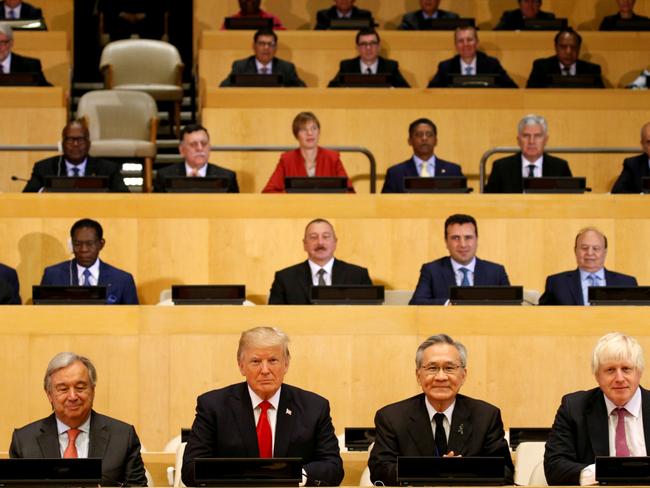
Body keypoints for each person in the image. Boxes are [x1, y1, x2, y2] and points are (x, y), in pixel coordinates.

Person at [182, 326, 344, 487]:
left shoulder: (314, 407)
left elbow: (333, 467)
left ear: (286, 364)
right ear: (241, 366)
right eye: (256, 361)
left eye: (273, 360)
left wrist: (295, 474)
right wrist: (246, 475)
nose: (265, 370)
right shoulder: (213, 406)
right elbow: (190, 470)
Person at [368, 334, 514, 486]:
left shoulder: (486, 416)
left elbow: (505, 472)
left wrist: (461, 471)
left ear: (463, 375)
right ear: (418, 376)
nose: (441, 376)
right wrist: (436, 470)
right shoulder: (392, 417)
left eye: (449, 368)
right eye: (432, 368)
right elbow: (380, 471)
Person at [9, 352, 147, 486]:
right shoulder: (24, 441)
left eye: (80, 387)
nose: (73, 396)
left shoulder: (123, 437)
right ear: (49, 394)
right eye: (63, 389)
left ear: (93, 390)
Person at [544, 332, 650, 485]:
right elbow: (554, 467)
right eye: (610, 370)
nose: (619, 378)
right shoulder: (574, 408)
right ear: (597, 375)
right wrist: (605, 472)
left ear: (639, 372)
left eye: (626, 369)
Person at [409, 214, 510, 305]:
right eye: (455, 238)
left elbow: (513, 306)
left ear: (477, 240)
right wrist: (450, 303)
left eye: (468, 237)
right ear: (446, 241)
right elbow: (416, 303)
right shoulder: (431, 270)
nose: (463, 244)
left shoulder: (496, 272)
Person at [268, 218, 372, 304]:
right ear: (304, 244)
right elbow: (274, 318)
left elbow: (372, 317)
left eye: (326, 237)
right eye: (313, 237)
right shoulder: (285, 278)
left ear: (335, 243)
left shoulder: (358, 276)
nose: (320, 242)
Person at [40, 218, 139, 305]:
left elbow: (133, 320)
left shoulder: (122, 280)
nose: (84, 250)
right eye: (77, 244)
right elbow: (40, 316)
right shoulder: (53, 275)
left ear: (101, 244)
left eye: (90, 244)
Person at [539, 228, 637, 306]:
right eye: (584, 248)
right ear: (575, 251)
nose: (590, 253)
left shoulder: (627, 283)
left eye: (596, 248)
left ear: (605, 252)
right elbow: (542, 317)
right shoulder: (557, 283)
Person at [23, 120, 128, 193]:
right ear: (62, 144)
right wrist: (44, 191)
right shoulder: (44, 168)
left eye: (80, 140)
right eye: (70, 140)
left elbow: (125, 197)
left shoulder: (108, 169)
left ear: (89, 143)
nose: (75, 144)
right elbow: (28, 197)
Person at [262, 112, 354, 193]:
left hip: (327, 210)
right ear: (296, 135)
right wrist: (290, 197)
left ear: (319, 132)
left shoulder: (333, 158)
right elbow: (268, 192)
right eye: (303, 129)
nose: (310, 133)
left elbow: (349, 192)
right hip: (296, 210)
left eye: (314, 128)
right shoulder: (287, 160)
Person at [485, 114, 572, 193]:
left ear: (545, 140)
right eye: (526, 136)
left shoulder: (560, 168)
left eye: (537, 136)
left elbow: (571, 202)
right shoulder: (501, 168)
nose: (531, 141)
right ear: (518, 140)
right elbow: (489, 202)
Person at [382, 118, 463, 193]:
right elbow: (384, 204)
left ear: (436, 141)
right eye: (419, 134)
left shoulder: (453, 171)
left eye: (429, 134)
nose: (424, 138)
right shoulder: (395, 173)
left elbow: (464, 202)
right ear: (410, 141)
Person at [154, 124, 239, 192]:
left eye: (204, 143)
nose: (200, 148)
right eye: (193, 144)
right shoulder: (164, 176)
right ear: (182, 150)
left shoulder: (227, 177)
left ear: (209, 147)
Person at [427, 26, 518, 88]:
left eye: (469, 40)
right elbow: (432, 92)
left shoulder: (491, 64)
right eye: (461, 41)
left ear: (477, 42)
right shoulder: (446, 67)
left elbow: (512, 89)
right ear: (455, 45)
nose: (465, 44)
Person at [220, 29, 305, 87]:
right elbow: (224, 88)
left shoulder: (286, 68)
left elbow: (302, 90)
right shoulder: (241, 67)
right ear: (254, 46)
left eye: (270, 44)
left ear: (276, 47)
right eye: (261, 43)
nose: (266, 48)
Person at [327, 28, 410, 88]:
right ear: (357, 48)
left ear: (378, 46)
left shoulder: (390, 67)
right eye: (363, 44)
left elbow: (406, 91)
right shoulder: (347, 66)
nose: (368, 48)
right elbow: (331, 89)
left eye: (372, 43)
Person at [526, 29, 605, 88]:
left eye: (573, 47)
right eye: (563, 47)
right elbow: (530, 94)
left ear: (579, 48)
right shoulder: (541, 68)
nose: (568, 52)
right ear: (556, 47)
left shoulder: (591, 70)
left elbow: (601, 97)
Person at [98, 0, 168, 41]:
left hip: (148, 19)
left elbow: (161, 6)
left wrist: (144, 14)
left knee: (152, 28)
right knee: (118, 28)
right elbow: (104, 5)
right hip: (120, 19)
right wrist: (123, 14)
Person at [611, 122, 650, 193]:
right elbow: (617, 191)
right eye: (649, 142)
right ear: (643, 145)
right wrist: (641, 197)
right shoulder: (633, 164)